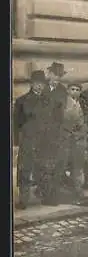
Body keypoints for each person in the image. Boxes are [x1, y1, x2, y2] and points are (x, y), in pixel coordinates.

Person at [13, 70, 48, 209]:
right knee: (25, 170)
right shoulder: (22, 101)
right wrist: (16, 143)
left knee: (44, 169)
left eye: (41, 84)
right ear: (31, 84)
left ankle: (44, 196)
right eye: (36, 83)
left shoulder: (49, 101)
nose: (39, 86)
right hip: (28, 140)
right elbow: (16, 123)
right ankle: (24, 199)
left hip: (45, 141)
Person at [38, 62, 68, 206]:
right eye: (54, 74)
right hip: (42, 133)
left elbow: (64, 111)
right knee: (43, 164)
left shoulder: (62, 90)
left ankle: (51, 195)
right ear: (49, 74)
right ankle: (43, 192)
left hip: (57, 133)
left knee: (55, 165)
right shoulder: (40, 88)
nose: (56, 78)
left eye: (59, 75)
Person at [59, 81, 88, 201]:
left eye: (77, 90)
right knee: (63, 165)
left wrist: (82, 133)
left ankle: (78, 191)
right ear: (67, 90)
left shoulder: (82, 103)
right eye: (72, 89)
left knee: (77, 167)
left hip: (78, 140)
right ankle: (62, 192)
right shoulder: (63, 104)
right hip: (66, 139)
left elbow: (85, 121)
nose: (75, 92)